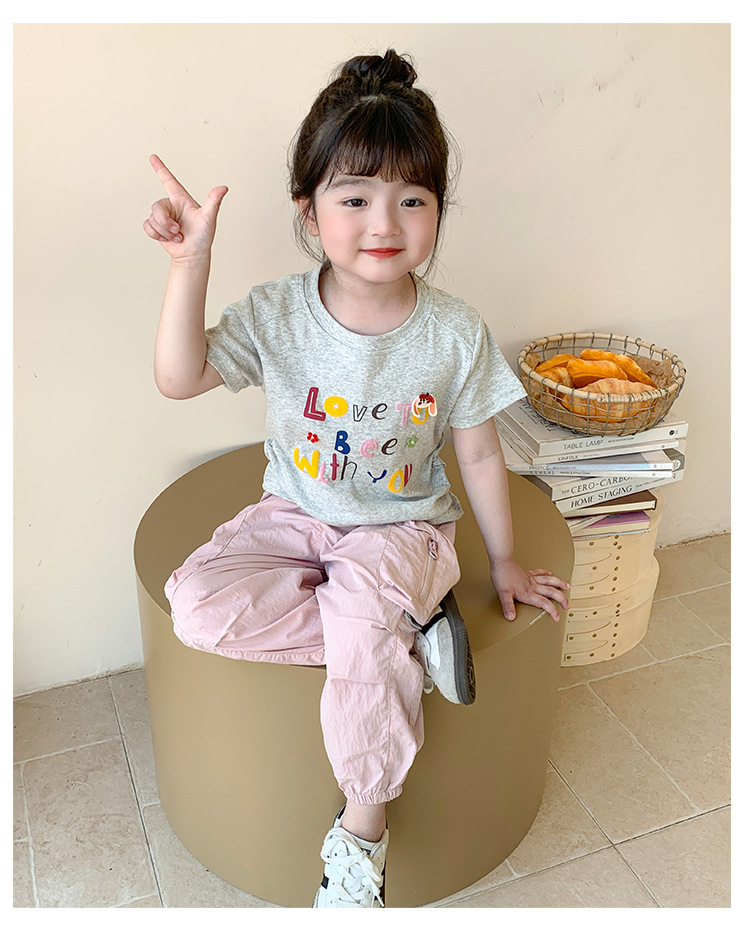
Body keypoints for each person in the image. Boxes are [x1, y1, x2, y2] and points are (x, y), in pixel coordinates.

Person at [143, 49, 569, 909]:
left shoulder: (454, 332)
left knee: (366, 616)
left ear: (439, 209)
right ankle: (403, 630)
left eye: (413, 199)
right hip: (293, 516)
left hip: (402, 529)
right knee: (197, 606)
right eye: (355, 197)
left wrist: (504, 561)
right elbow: (178, 378)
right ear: (309, 209)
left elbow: (479, 454)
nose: (385, 222)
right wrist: (190, 264)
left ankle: (360, 839)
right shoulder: (276, 313)